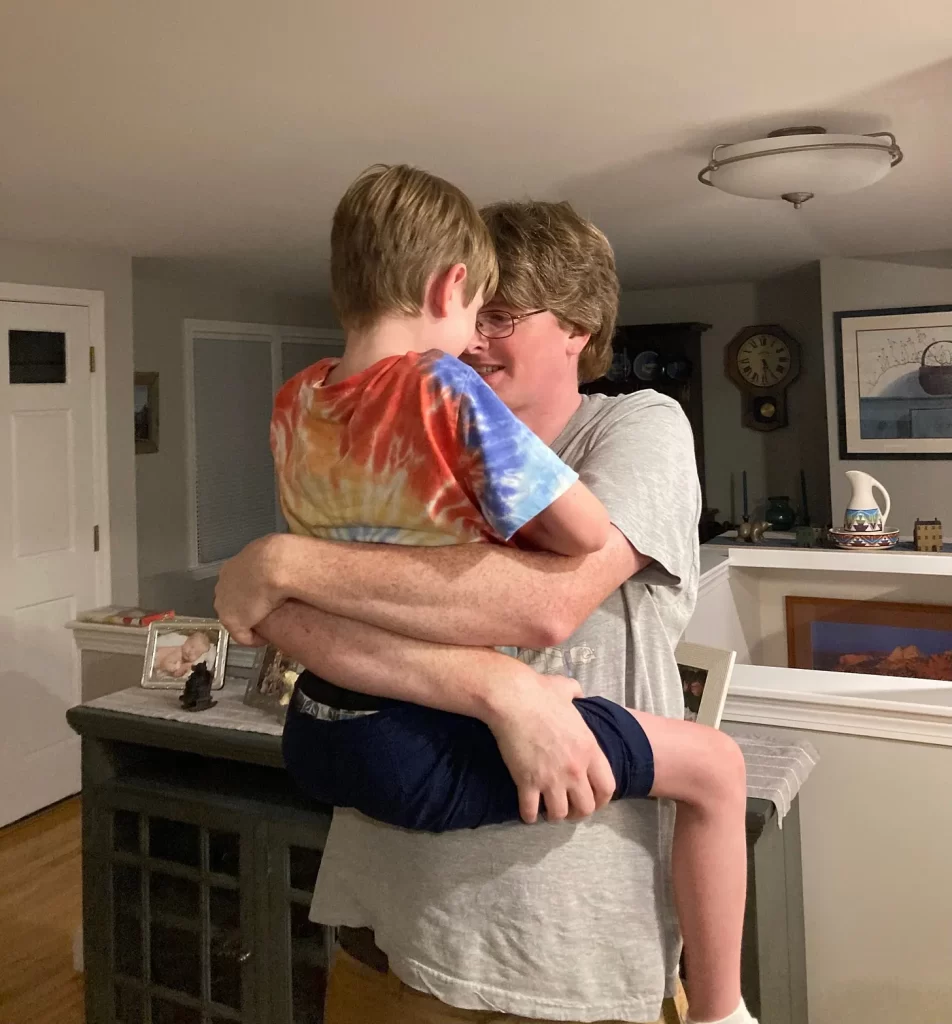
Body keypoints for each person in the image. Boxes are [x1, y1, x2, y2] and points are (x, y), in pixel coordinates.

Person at [215, 192, 751, 1024]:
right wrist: (495, 690)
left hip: (554, 959)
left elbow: (548, 602)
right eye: (473, 311)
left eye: (501, 315)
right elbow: (275, 618)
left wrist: (285, 563)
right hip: (378, 921)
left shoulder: (638, 428)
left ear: (576, 325)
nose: (474, 338)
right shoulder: (397, 423)